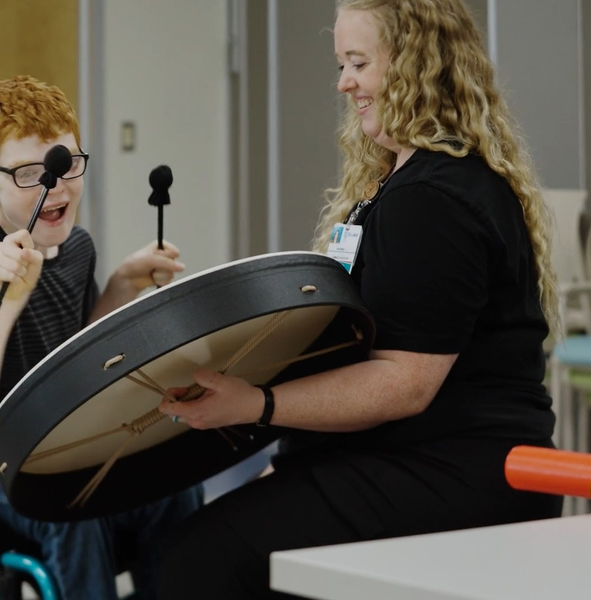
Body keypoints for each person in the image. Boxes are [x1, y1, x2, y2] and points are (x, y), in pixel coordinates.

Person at [156, 1, 563, 598]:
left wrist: (256, 404)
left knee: (195, 563)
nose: (344, 82)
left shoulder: (435, 199)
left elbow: (403, 382)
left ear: (414, 64)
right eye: (341, 63)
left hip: (456, 470)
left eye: (358, 62)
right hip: (421, 459)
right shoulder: (410, 183)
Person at [0, 75, 202, 600]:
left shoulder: (76, 247)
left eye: (67, 164)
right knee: (70, 511)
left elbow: (73, 358)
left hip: (56, 447)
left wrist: (122, 284)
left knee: (174, 486)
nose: (56, 187)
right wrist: (6, 304)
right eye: (32, 174)